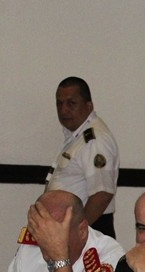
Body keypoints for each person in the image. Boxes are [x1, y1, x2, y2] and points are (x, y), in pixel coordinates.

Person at [45, 77, 119, 238]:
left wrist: (76, 232)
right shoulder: (75, 137)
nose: (63, 110)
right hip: (76, 230)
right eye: (59, 103)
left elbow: (102, 194)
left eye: (71, 103)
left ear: (89, 105)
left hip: (91, 232)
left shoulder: (95, 140)